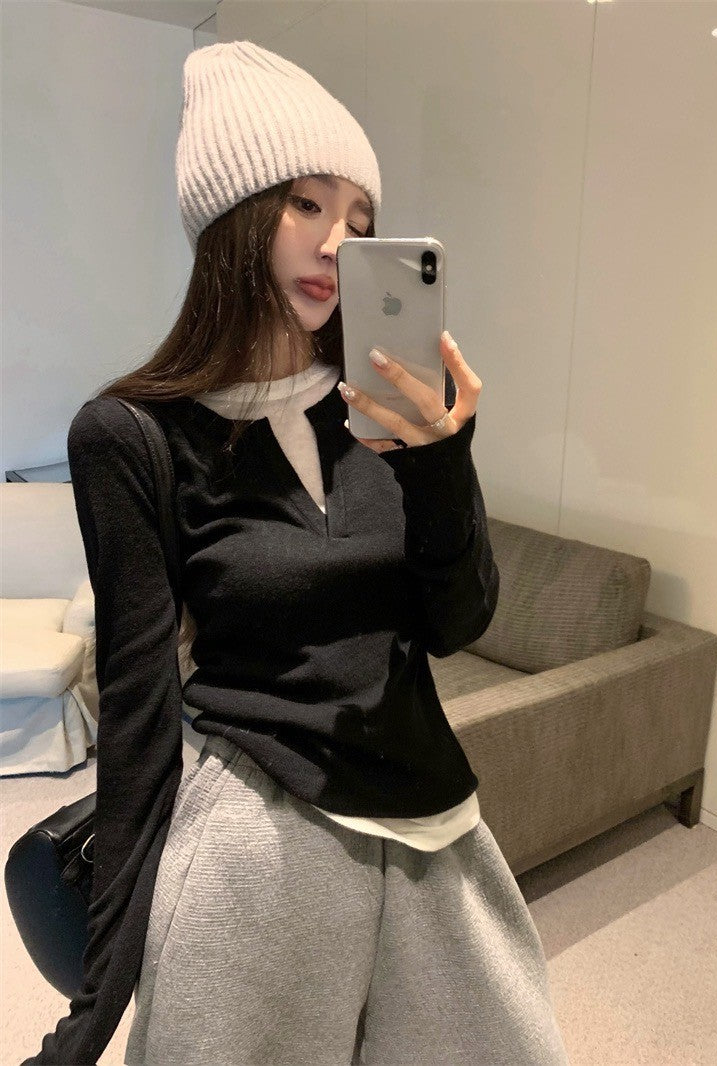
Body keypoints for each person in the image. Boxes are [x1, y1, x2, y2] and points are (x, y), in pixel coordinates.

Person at [24, 40, 570, 1066]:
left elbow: (456, 623)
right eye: (305, 204)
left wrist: (441, 461)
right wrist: (97, 1003)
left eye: (359, 218)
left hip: (430, 817)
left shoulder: (387, 410)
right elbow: (139, 709)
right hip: (256, 823)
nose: (336, 242)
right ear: (231, 219)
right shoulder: (131, 435)